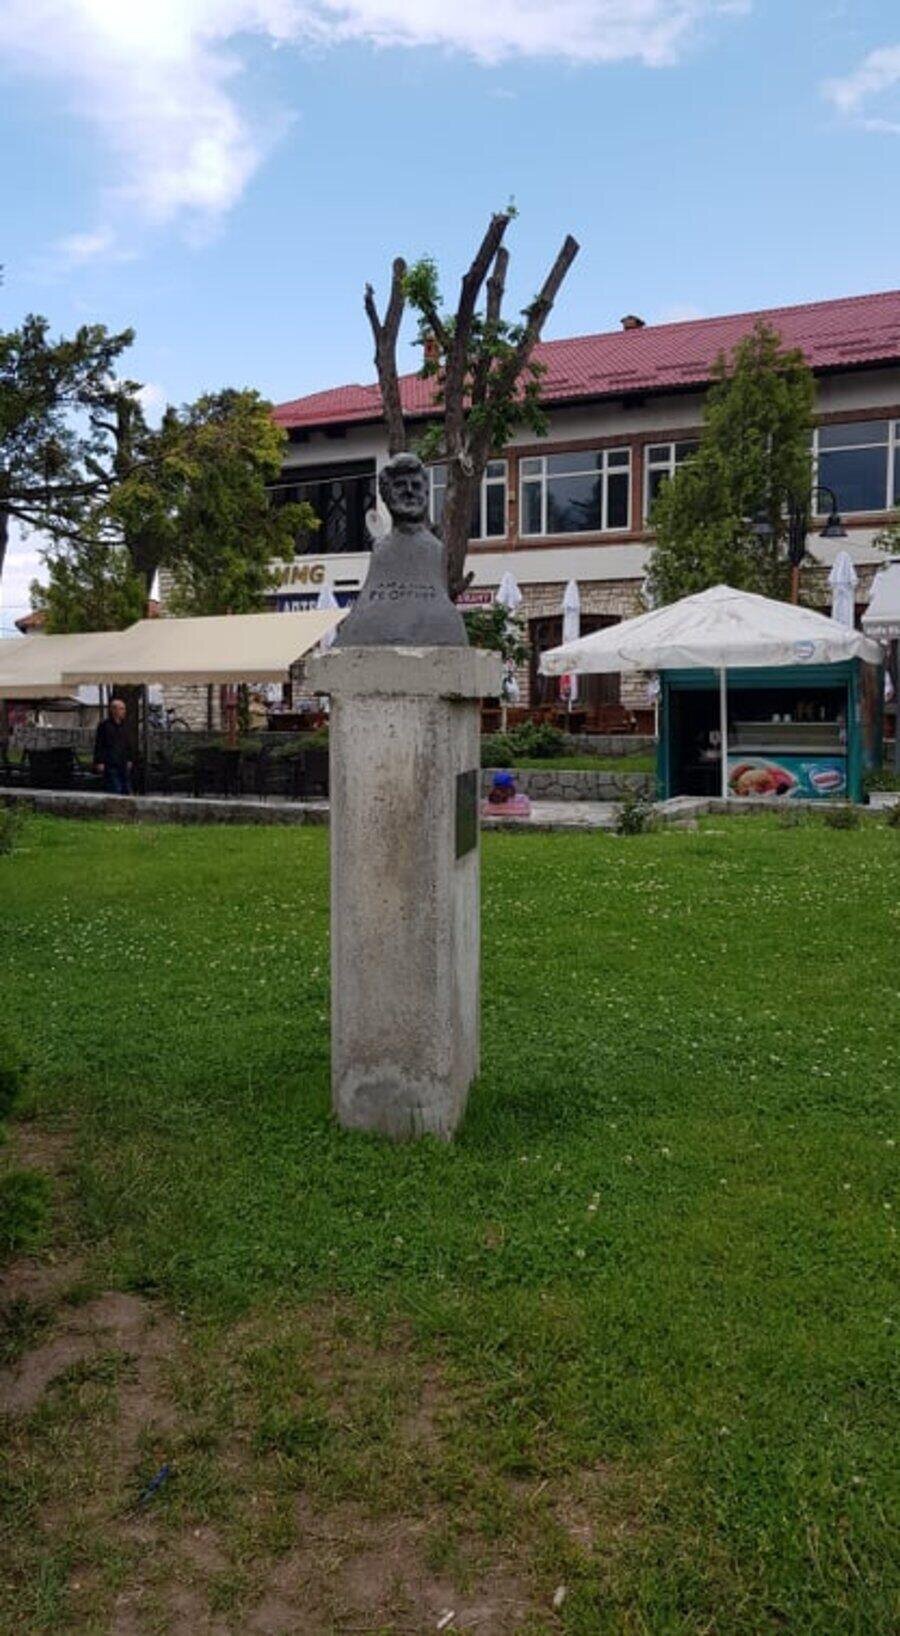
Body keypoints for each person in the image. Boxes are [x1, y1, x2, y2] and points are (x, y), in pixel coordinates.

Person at [93, 698, 133, 794]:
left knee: (126, 788)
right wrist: (99, 761)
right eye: (121, 709)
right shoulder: (104, 725)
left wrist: (129, 759)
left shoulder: (125, 726)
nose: (124, 711)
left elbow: (127, 743)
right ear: (114, 710)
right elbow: (99, 744)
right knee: (115, 788)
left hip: (122, 761)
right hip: (110, 762)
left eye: (124, 709)